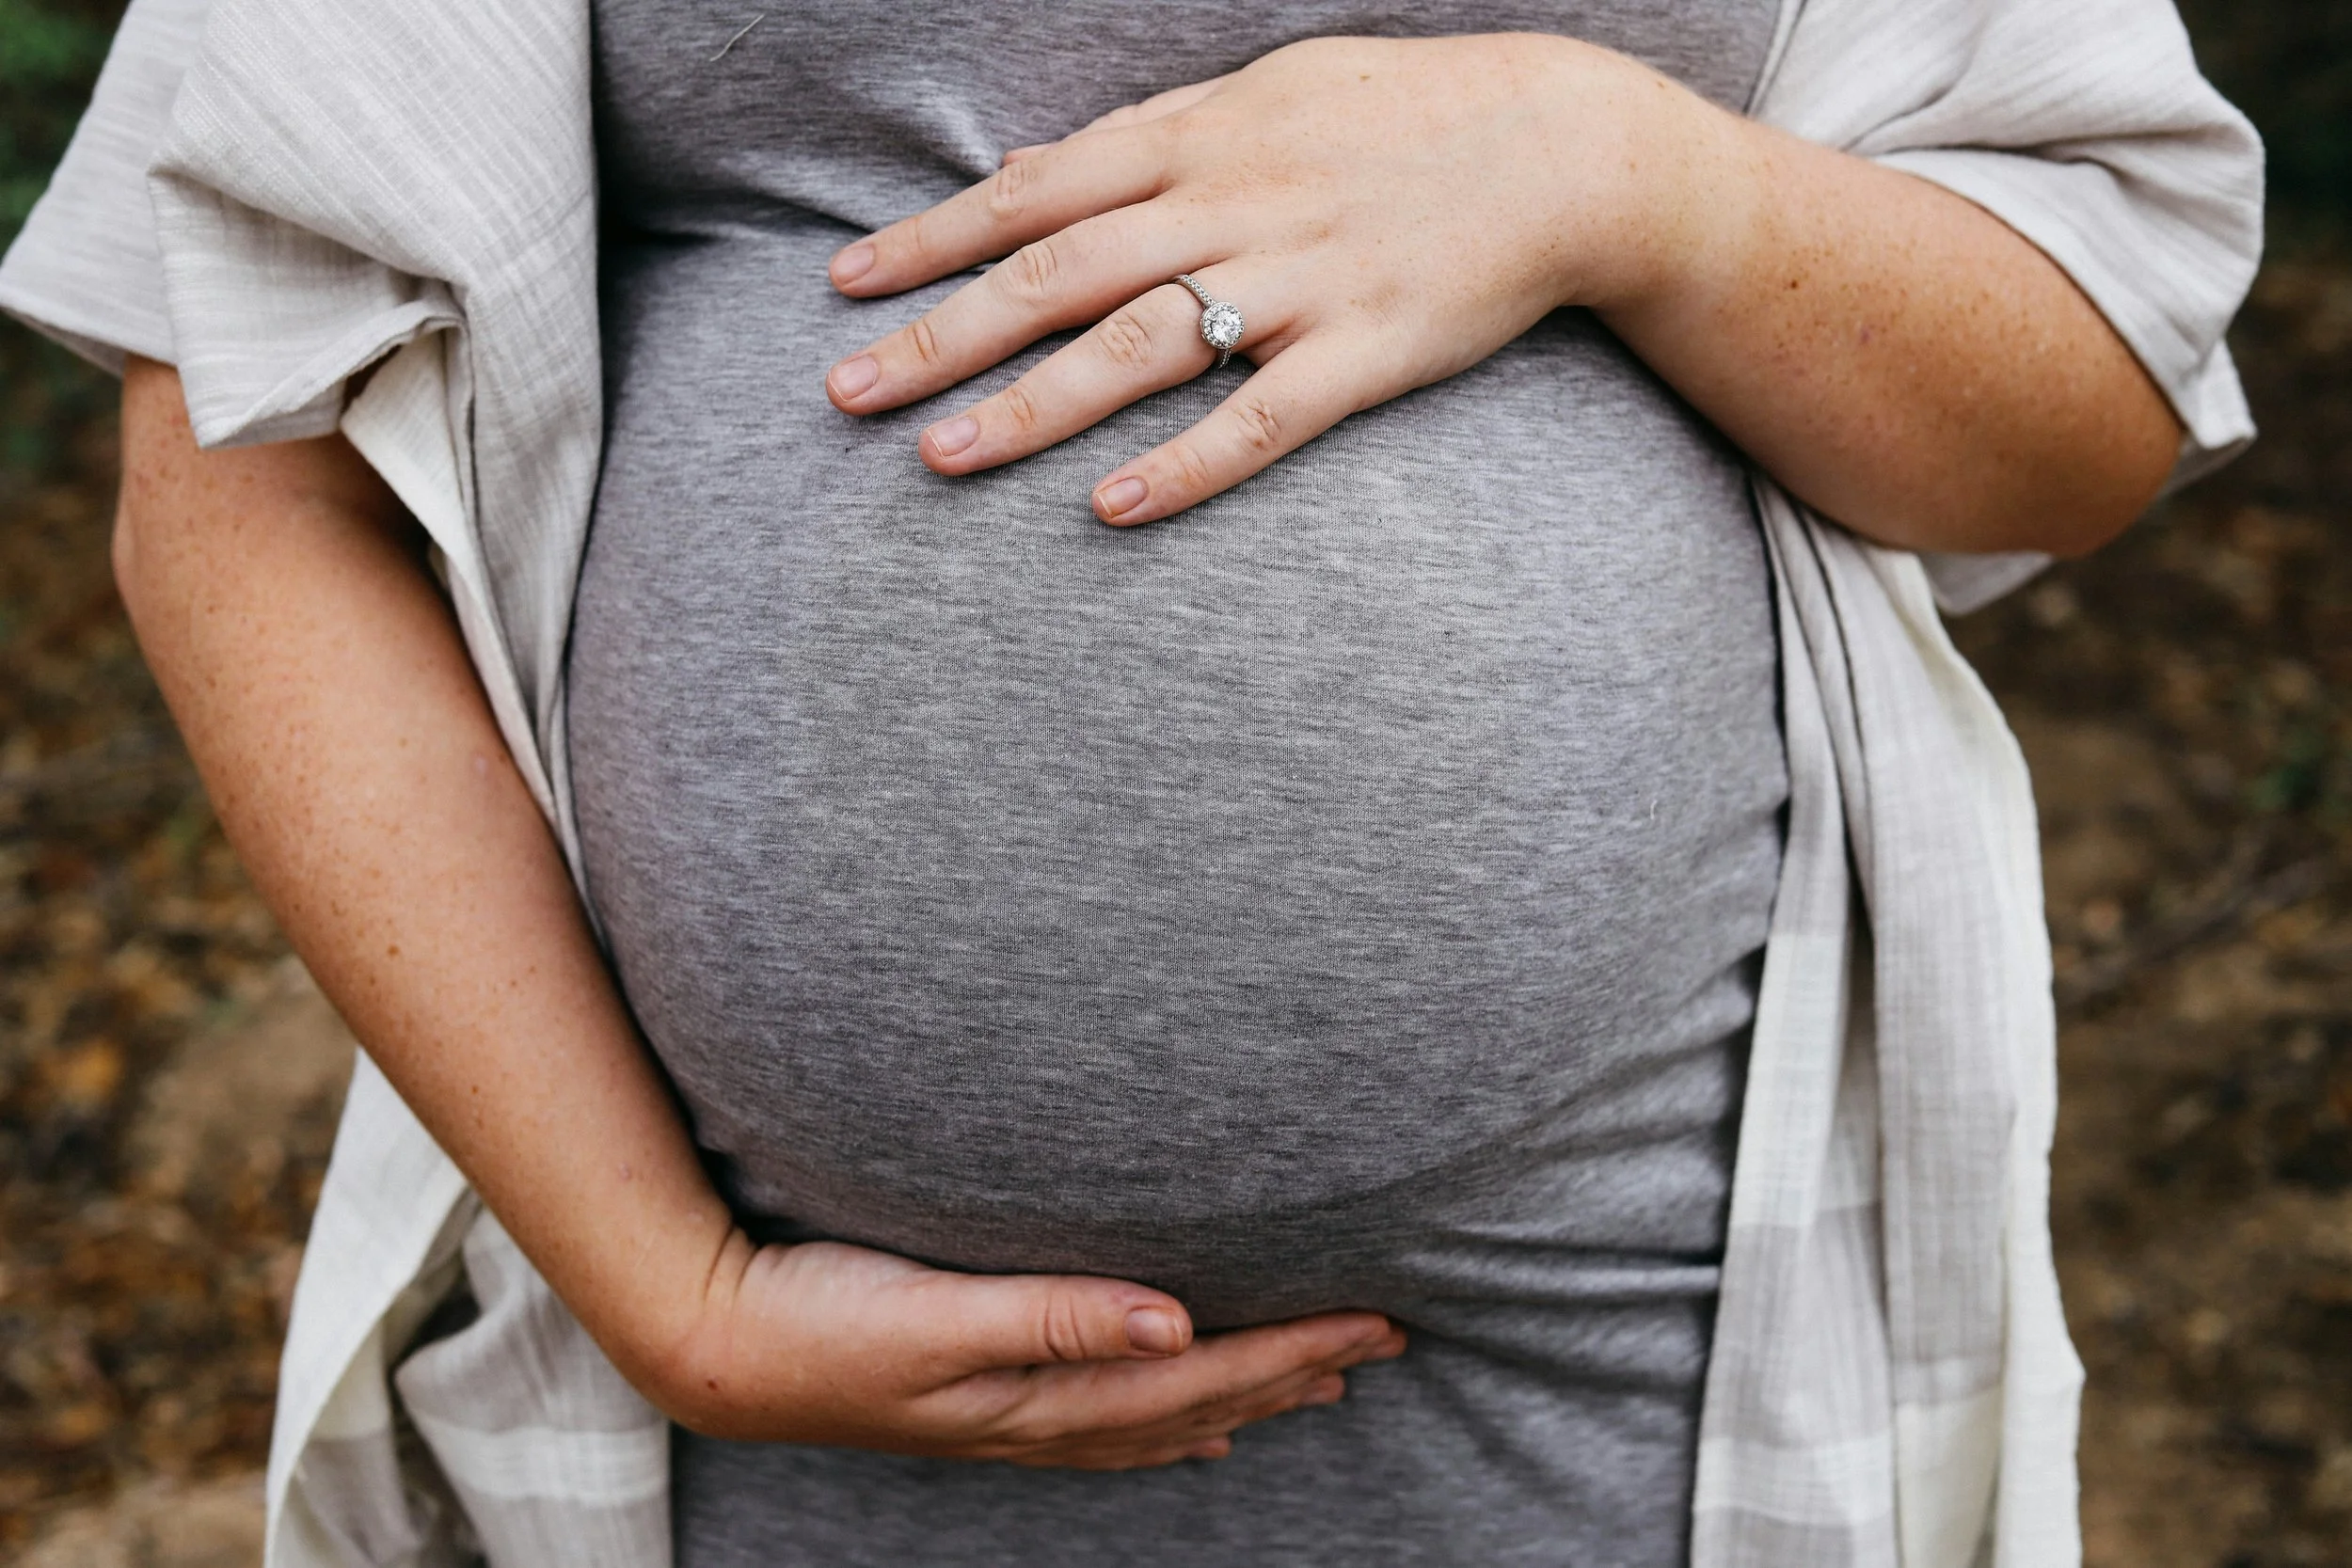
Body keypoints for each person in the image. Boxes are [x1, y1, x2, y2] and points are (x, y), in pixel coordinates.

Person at [0, 0, 2261, 1562]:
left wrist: (1634, 178)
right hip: (731, 1370)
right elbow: (240, 458)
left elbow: (2075, 419)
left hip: (1628, 1356)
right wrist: (662, 1281)